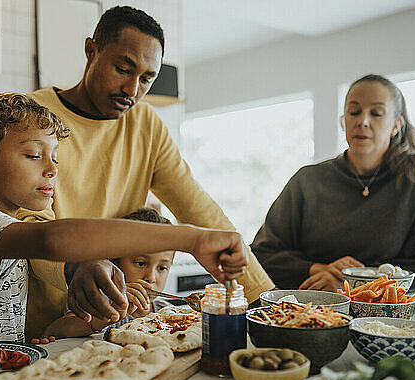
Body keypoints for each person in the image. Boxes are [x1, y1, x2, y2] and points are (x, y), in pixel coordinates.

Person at [18, 5, 274, 338]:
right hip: (44, 329)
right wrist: (73, 265)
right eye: (123, 69)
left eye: (146, 78)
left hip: (114, 326)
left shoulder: (146, 125)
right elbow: (27, 224)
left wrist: (266, 301)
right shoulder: (32, 116)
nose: (133, 89)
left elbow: (198, 209)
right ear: (90, 51)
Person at [0, 92, 249, 350]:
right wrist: (191, 239)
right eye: (34, 155)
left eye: (55, 157)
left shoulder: (9, 229)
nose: (52, 169)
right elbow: (54, 240)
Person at [251, 74, 415, 292]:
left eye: (376, 113)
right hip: (310, 309)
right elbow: (261, 254)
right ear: (343, 121)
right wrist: (317, 269)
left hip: (387, 320)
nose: (362, 121)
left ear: (396, 125)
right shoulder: (307, 180)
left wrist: (350, 287)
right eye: (354, 112)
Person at [45, 208, 175, 338]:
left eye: (162, 268)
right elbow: (54, 331)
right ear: (115, 262)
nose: (151, 278)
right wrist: (109, 315)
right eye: (140, 263)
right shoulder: (95, 297)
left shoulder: (169, 313)